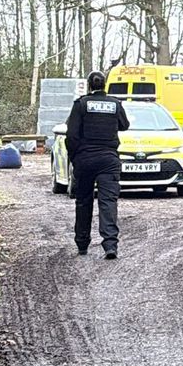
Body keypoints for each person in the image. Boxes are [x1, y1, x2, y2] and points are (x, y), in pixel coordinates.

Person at [65, 71, 128, 259]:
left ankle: (82, 243)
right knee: (108, 201)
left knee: (84, 201)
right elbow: (124, 125)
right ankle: (110, 245)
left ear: (89, 85)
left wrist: (75, 158)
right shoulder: (115, 104)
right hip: (109, 160)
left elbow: (71, 135)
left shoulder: (81, 104)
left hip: (85, 159)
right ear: (104, 85)